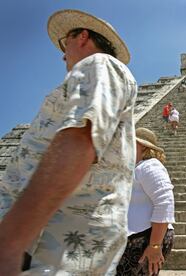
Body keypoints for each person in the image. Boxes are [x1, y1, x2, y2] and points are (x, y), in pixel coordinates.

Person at [0, 9, 137, 275]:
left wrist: (10, 241)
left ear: (83, 36)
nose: (62, 54)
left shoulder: (99, 63)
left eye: (65, 43)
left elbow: (80, 138)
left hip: (46, 243)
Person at [116, 128, 175, 276]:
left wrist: (155, 245)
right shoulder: (137, 168)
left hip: (148, 237)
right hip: (138, 237)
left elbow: (164, 203)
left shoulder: (150, 166)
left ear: (142, 146)